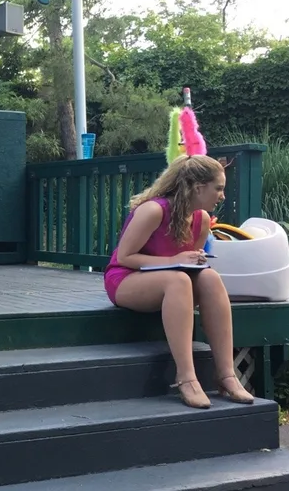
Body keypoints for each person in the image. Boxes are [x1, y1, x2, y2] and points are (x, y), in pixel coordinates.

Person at [103, 155, 254, 409]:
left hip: (172, 281)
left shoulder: (202, 220)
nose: (222, 195)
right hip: (127, 279)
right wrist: (174, 259)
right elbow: (125, 257)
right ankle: (186, 377)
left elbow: (186, 268)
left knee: (209, 277)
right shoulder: (153, 210)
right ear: (198, 188)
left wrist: (195, 260)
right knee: (178, 281)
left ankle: (226, 374)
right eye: (219, 188)